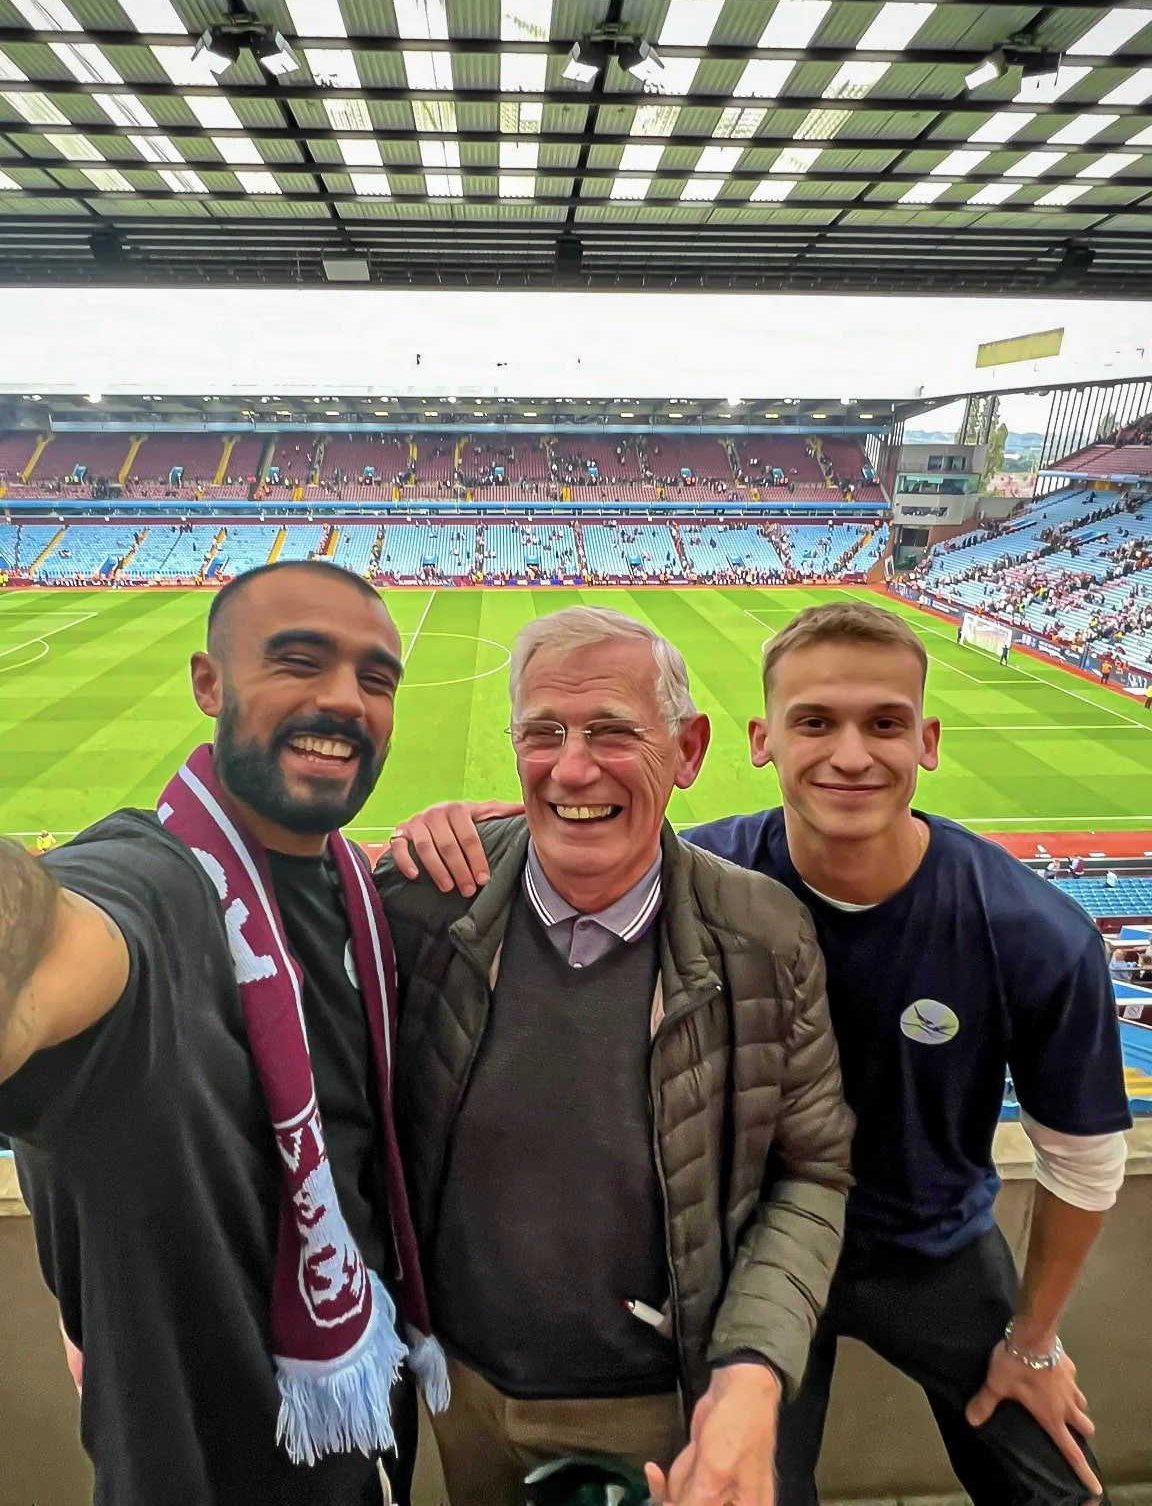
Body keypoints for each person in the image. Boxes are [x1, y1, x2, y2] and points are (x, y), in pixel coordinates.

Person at [388, 600, 1130, 1506]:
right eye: (815, 721)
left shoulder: (1031, 931)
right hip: (746, 1255)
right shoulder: (714, 876)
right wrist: (486, 826)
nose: (850, 754)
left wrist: (1036, 1341)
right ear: (760, 739)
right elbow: (601, 824)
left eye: (884, 724)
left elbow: (1085, 1163)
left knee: (1057, 1482)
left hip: (930, 1247)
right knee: (755, 1489)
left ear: (928, 741)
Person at [374, 605, 855, 1506]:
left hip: (662, 1407)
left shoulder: (763, 932)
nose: (572, 767)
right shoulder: (421, 901)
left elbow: (813, 1176)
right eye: (542, 733)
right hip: (461, 1394)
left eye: (611, 732)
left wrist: (751, 1371)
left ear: (689, 750)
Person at [0, 560, 448, 1506]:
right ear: (210, 683)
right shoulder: (154, 885)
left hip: (363, 1438)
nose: (344, 701)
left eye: (377, 679)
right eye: (298, 661)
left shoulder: (357, 890)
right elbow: (49, 935)